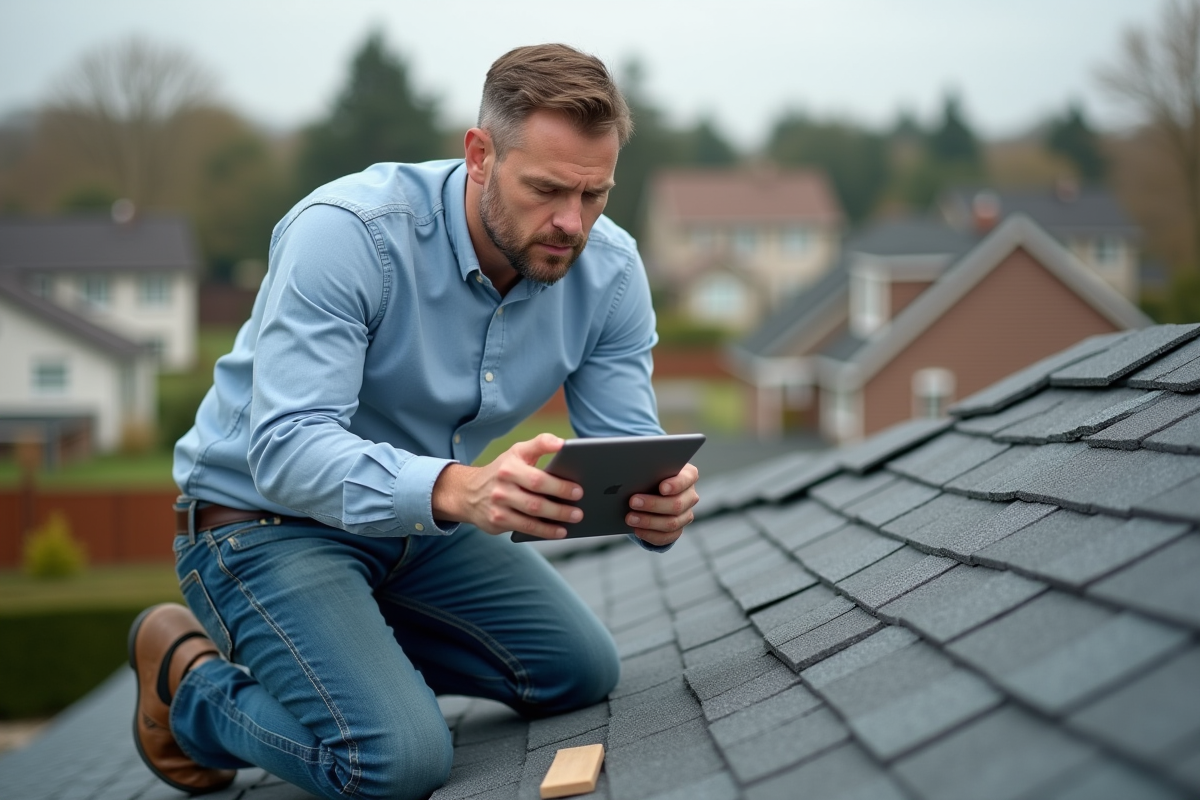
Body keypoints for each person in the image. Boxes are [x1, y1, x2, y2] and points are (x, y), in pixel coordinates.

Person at [128, 43, 700, 800]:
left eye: (595, 195)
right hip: (259, 524)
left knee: (579, 672)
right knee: (396, 763)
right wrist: (461, 492)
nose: (572, 223)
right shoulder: (347, 234)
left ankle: (353, 658)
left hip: (415, 527)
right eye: (548, 190)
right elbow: (286, 449)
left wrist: (653, 504)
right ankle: (191, 689)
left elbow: (629, 450)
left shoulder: (613, 272)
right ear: (479, 154)